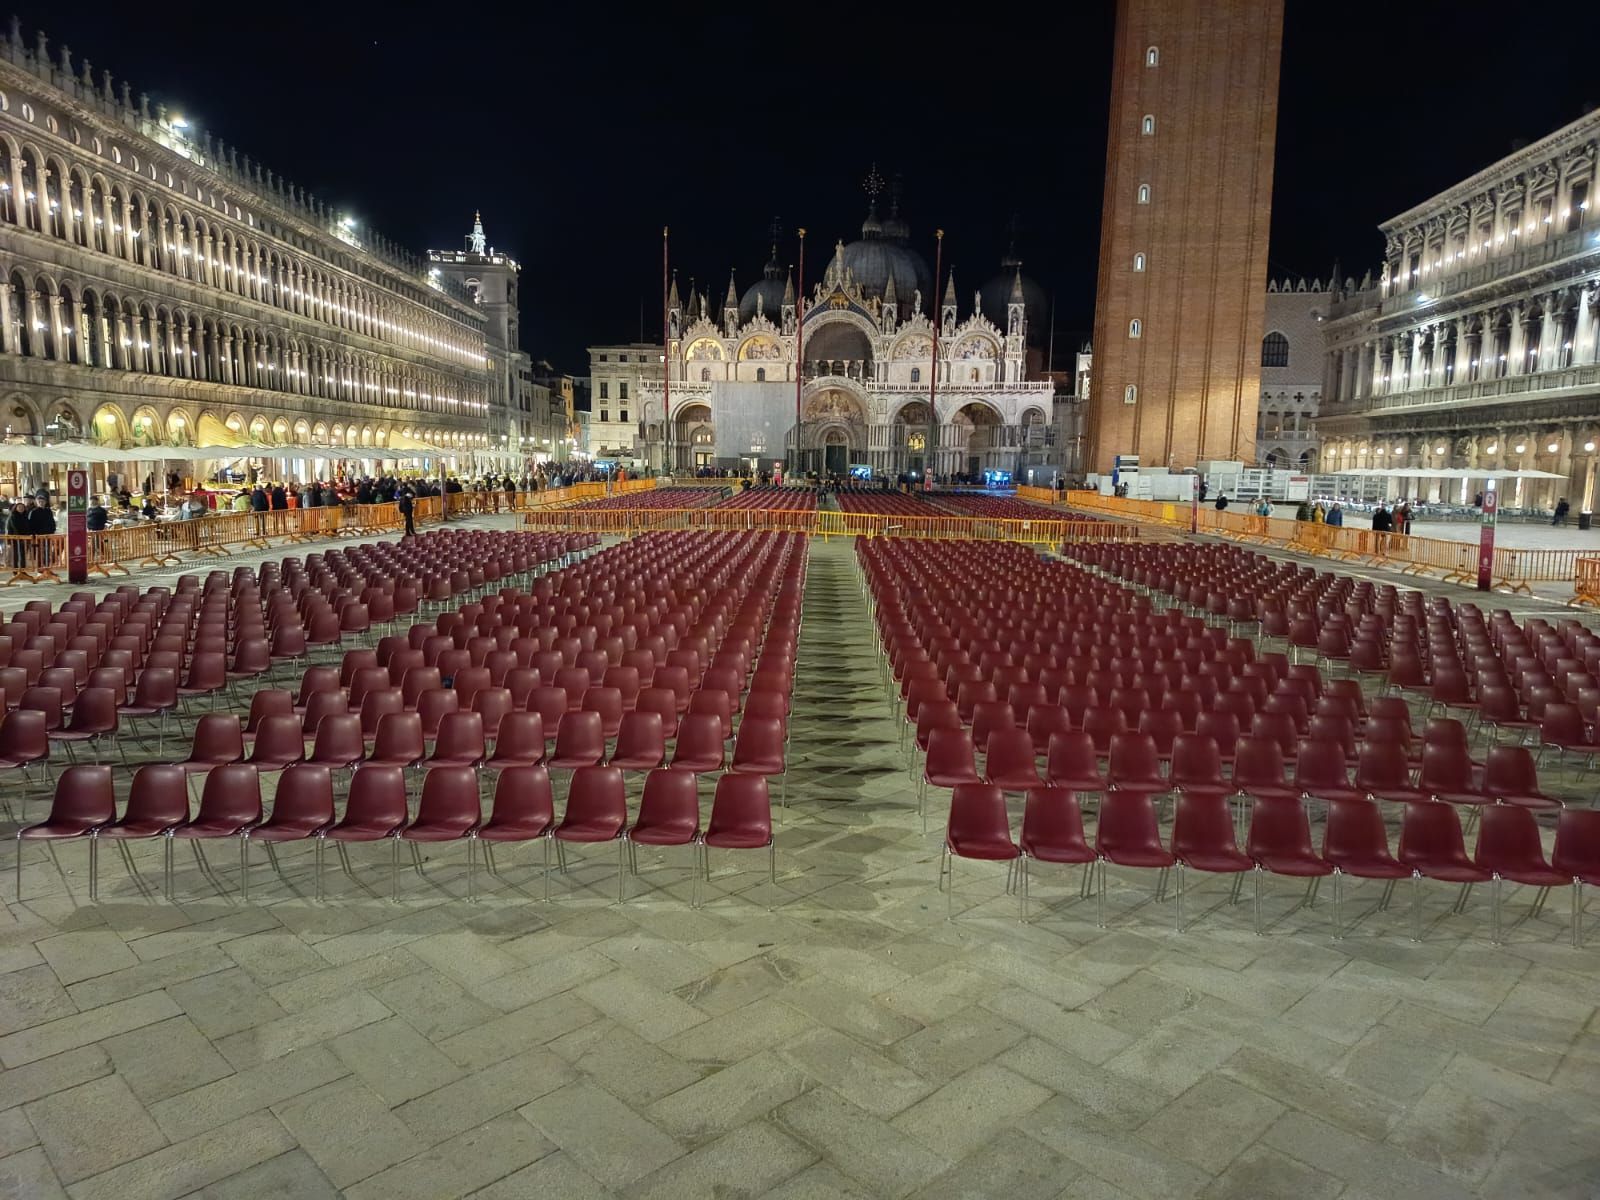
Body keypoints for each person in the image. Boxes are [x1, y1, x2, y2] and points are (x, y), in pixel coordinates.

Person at [7, 495, 30, 568]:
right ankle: (15, 569)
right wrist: (19, 538)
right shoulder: (13, 516)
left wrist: (27, 536)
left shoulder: (25, 516)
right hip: (15, 538)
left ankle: (23, 569)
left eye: (22, 507)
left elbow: (27, 527)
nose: (21, 508)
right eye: (19, 507)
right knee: (15, 554)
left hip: (24, 538)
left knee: (23, 554)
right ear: (16, 508)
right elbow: (14, 528)